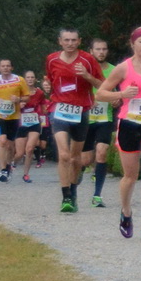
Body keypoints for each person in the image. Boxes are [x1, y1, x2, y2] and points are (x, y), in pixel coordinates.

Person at [94, 27, 141, 239]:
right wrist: (122, 93)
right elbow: (101, 94)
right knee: (130, 176)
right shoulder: (123, 69)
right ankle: (126, 211)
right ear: (132, 43)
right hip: (129, 123)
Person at [44, 30, 104, 212]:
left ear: (79, 41)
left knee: (76, 157)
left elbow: (102, 85)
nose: (70, 43)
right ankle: (66, 197)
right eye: (66, 40)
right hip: (59, 110)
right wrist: (46, 85)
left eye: (73, 40)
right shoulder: (52, 59)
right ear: (60, 41)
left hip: (81, 111)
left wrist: (86, 75)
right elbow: (50, 80)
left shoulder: (87, 60)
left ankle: (73, 190)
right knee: (64, 155)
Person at [82, 37, 117, 207]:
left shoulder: (113, 70)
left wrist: (117, 99)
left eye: (104, 49)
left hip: (105, 118)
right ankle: (74, 181)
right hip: (86, 118)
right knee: (86, 160)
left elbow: (118, 93)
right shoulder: (84, 69)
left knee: (102, 152)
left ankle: (97, 195)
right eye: (98, 49)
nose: (101, 52)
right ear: (91, 51)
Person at [0, 59, 30, 183]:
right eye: (3, 66)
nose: (5, 68)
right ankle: (3, 169)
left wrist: (18, 99)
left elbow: (27, 96)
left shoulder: (19, 80)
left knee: (10, 145)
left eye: (8, 66)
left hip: (14, 116)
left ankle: (8, 165)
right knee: (2, 141)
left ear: (12, 68)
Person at [20, 71, 47, 175]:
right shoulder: (19, 92)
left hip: (34, 122)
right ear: (24, 79)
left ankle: (26, 173)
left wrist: (45, 112)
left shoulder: (40, 93)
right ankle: (11, 164)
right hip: (20, 122)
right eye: (28, 77)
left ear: (35, 79)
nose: (30, 79)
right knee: (20, 152)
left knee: (30, 147)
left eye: (32, 77)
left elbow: (44, 108)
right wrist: (18, 106)